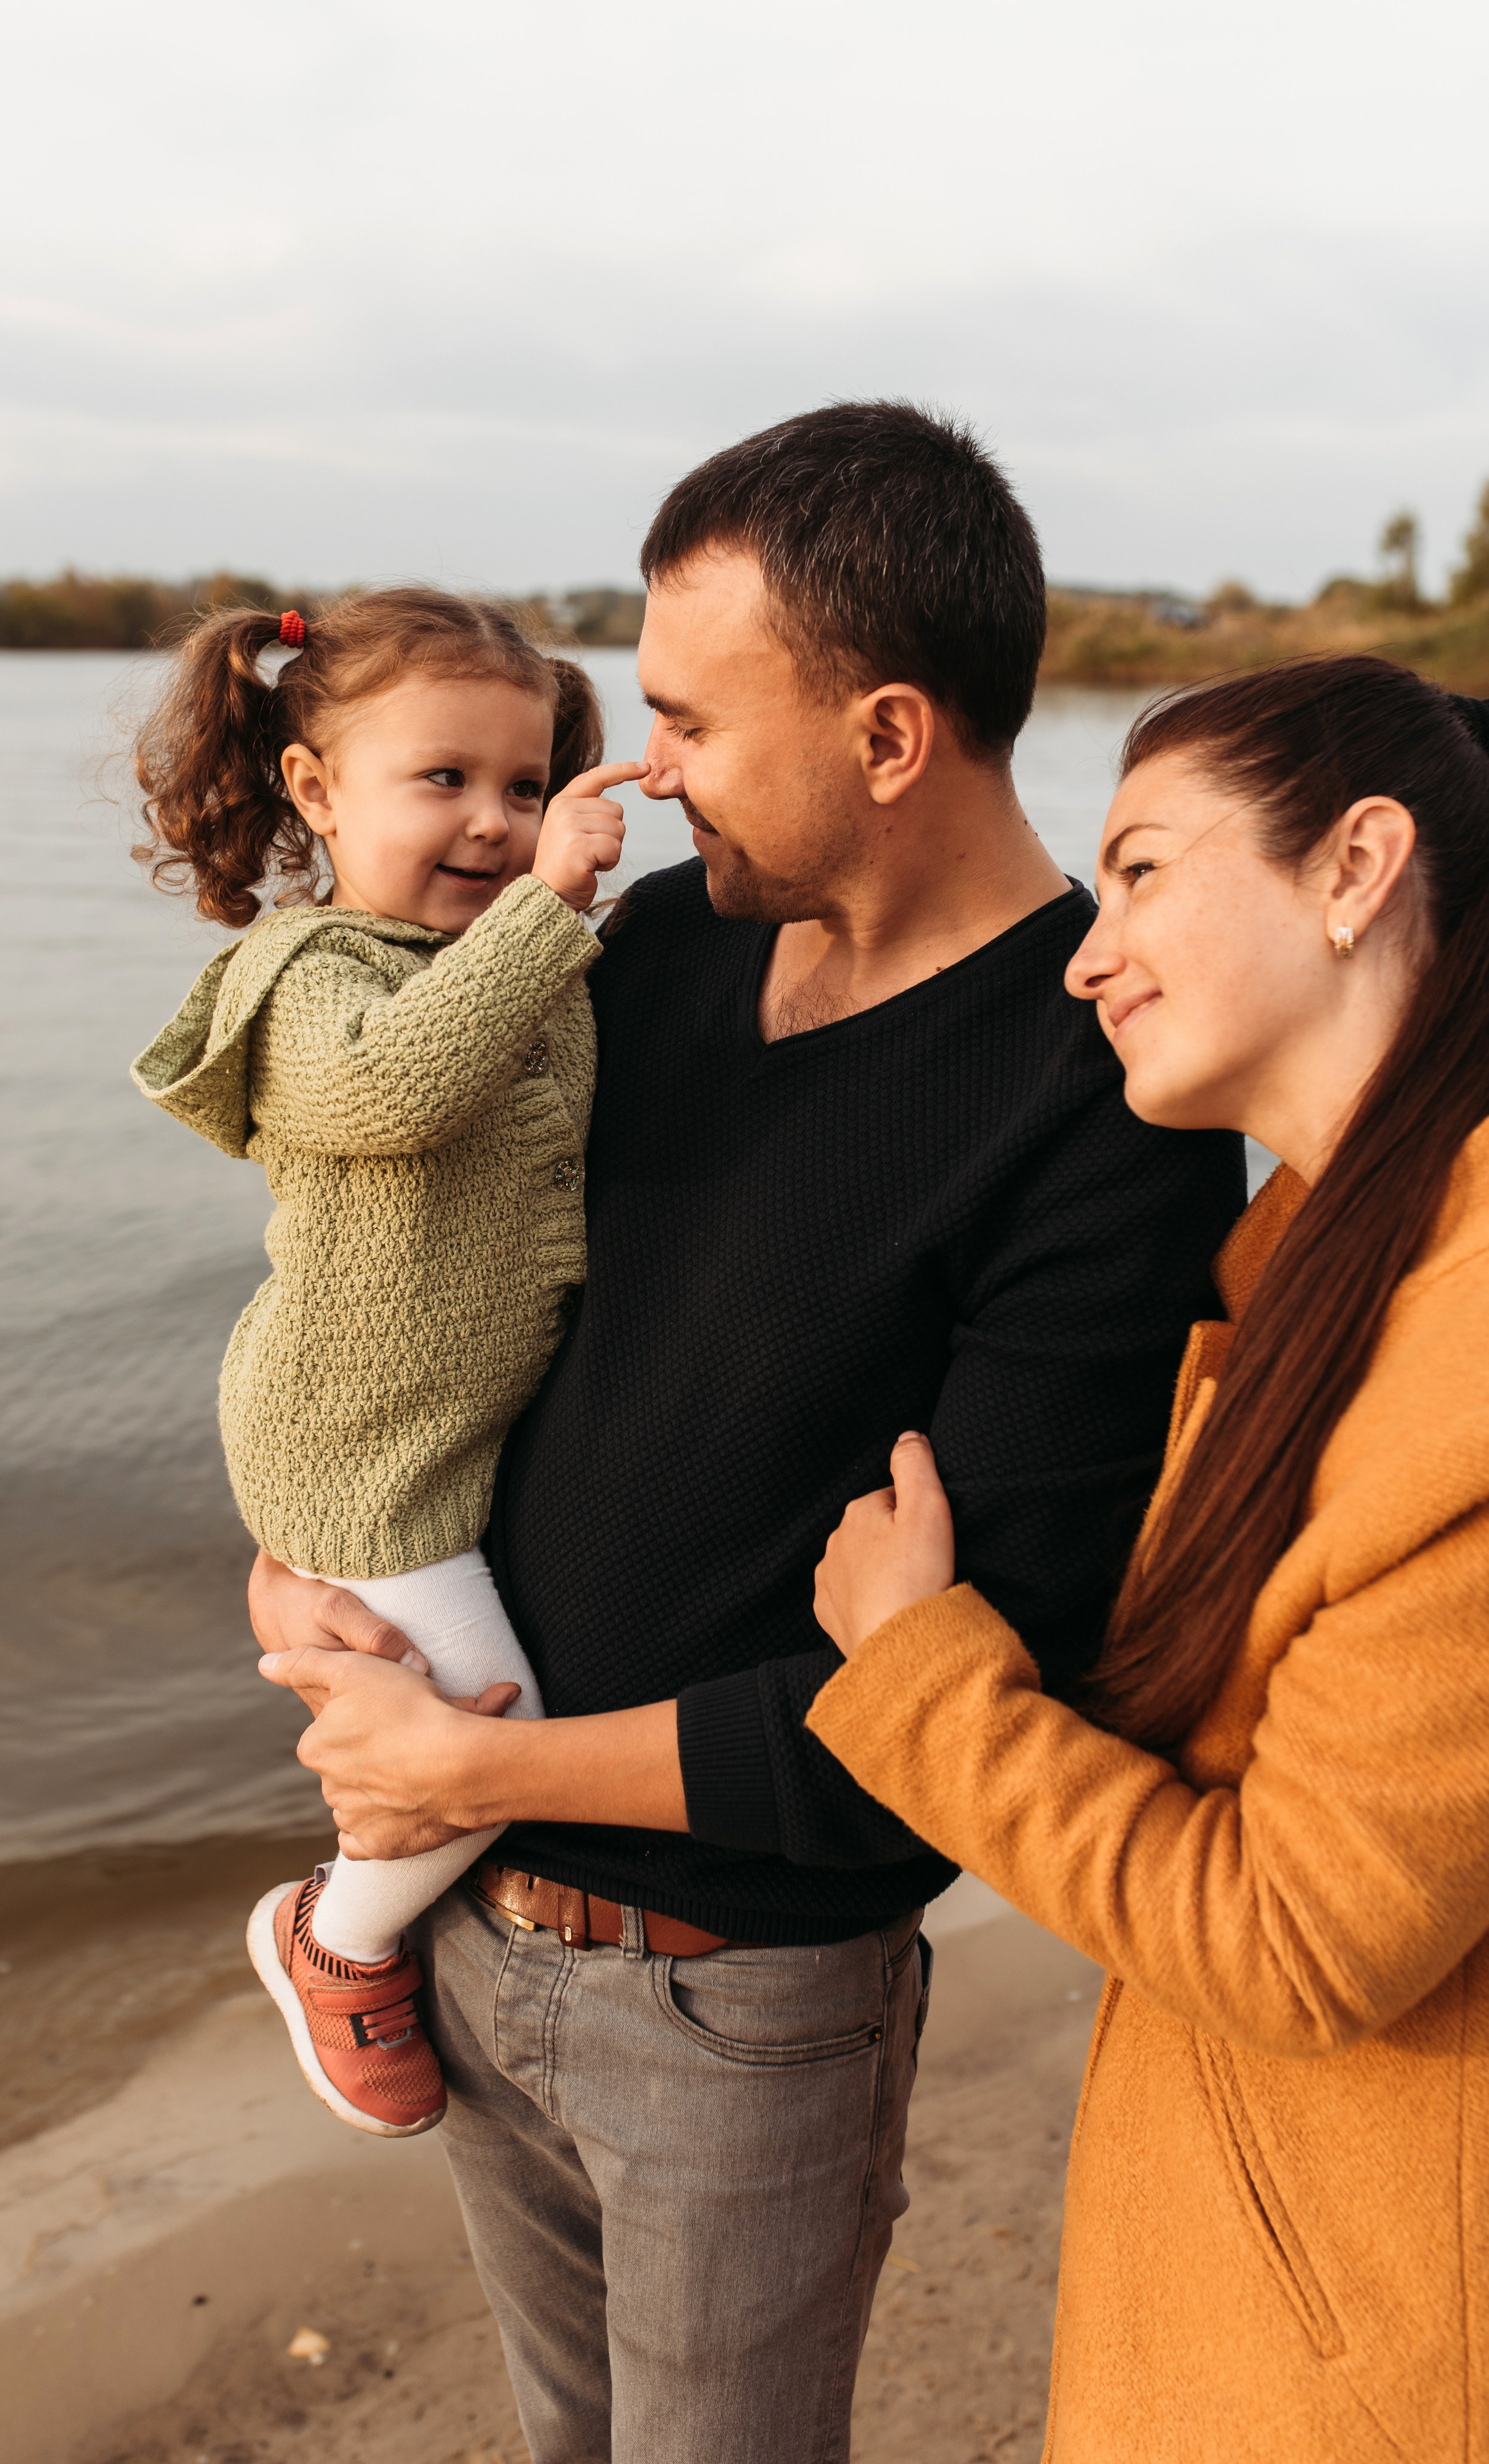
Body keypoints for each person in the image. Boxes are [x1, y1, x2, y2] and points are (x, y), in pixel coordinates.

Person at [251, 403, 1247, 2464]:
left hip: (738, 1999)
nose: (643, 770)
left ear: (889, 735)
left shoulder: (1102, 1109)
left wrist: (481, 1755)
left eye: (695, 717)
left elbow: (983, 1674)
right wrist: (317, 1563)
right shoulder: (663, 946)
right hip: (466, 1913)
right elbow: (432, 1301)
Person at [808, 656, 1489, 2463]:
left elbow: (1297, 1936)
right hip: (1289, 2258)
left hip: (1364, 2346)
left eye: (1143, 871)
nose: (1086, 951)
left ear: (1356, 868)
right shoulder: (1320, 1269)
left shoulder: (1463, 1355)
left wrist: (917, 1668)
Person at [130, 585, 640, 2134]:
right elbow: (390, 1095)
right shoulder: (309, 976)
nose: (493, 823)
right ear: (314, 789)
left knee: (453, 1705)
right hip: (351, 1439)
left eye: (527, 784)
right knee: (480, 1717)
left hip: (439, 1430)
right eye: (444, 780)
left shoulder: (506, 959)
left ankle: (378, 1916)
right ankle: (331, 1934)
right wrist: (552, 911)